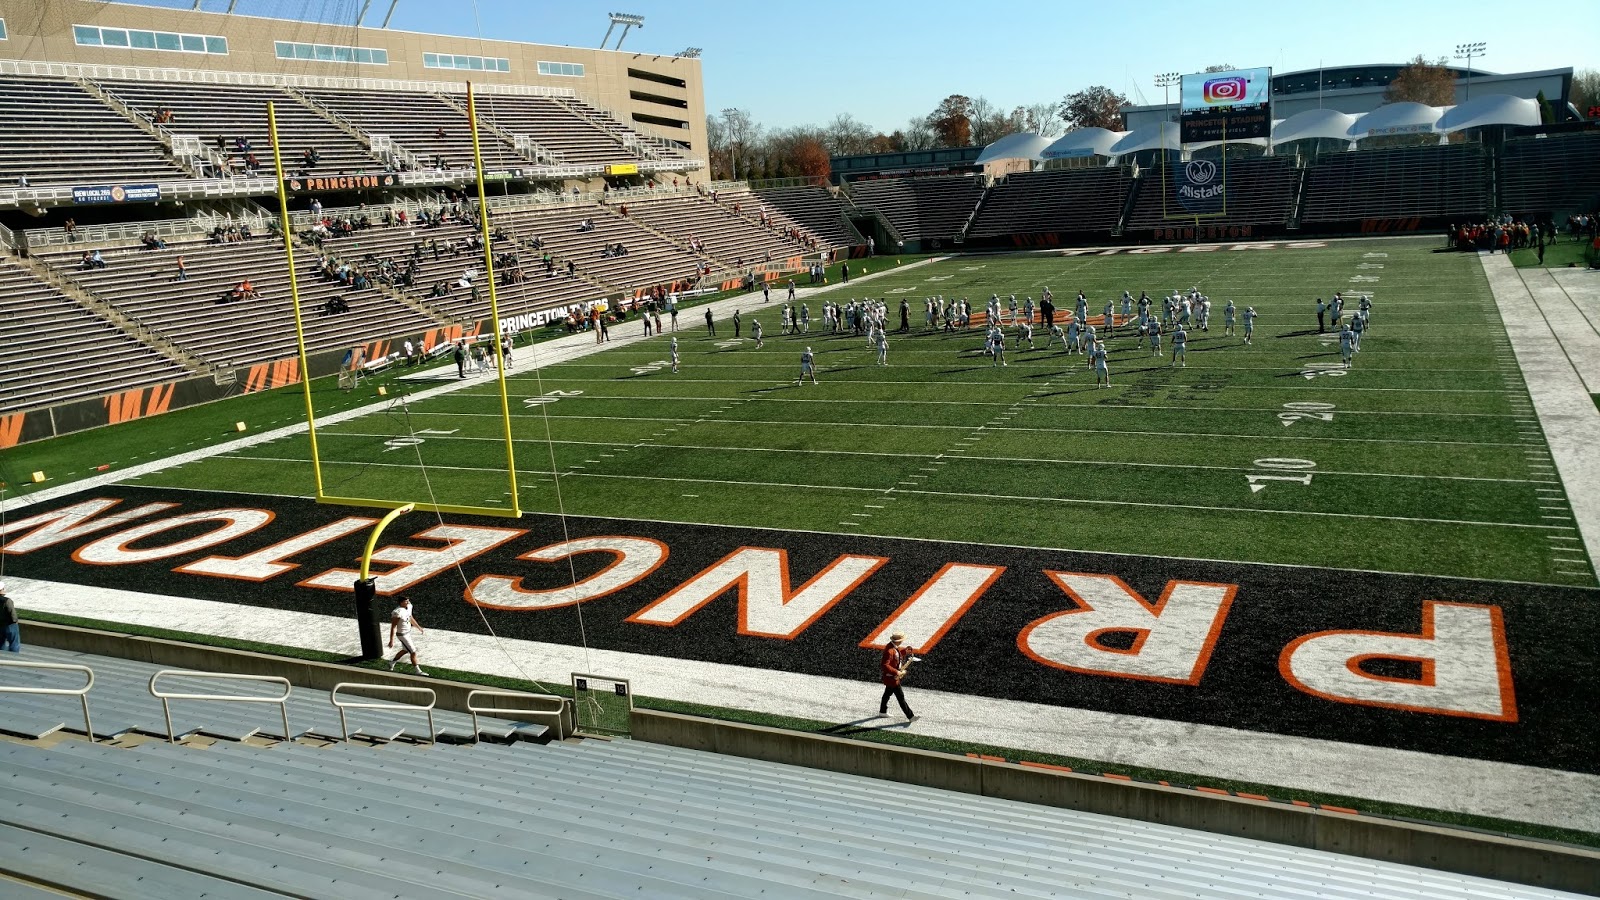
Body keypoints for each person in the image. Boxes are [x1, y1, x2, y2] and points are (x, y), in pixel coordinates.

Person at [878, 632, 917, 720]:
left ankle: (882, 711)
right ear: (898, 641)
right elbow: (885, 665)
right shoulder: (889, 651)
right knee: (901, 697)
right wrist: (897, 672)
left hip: (891, 678)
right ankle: (911, 716)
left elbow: (897, 655)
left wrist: (905, 651)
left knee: (886, 695)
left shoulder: (892, 647)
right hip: (892, 678)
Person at [387, 596, 426, 676]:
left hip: (407, 633)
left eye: (408, 601)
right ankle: (418, 671)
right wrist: (391, 640)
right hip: (402, 635)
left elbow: (410, 617)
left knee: (405, 650)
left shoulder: (408, 607)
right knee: (413, 651)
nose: (408, 602)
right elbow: (393, 627)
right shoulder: (397, 612)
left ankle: (392, 662)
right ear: (401, 602)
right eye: (406, 601)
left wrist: (418, 627)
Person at [0, 583, 18, 653]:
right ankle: (14, 660)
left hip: (0, 624)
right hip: (10, 625)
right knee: (14, 644)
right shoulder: (7, 600)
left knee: (0, 643)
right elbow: (12, 613)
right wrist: (15, 621)